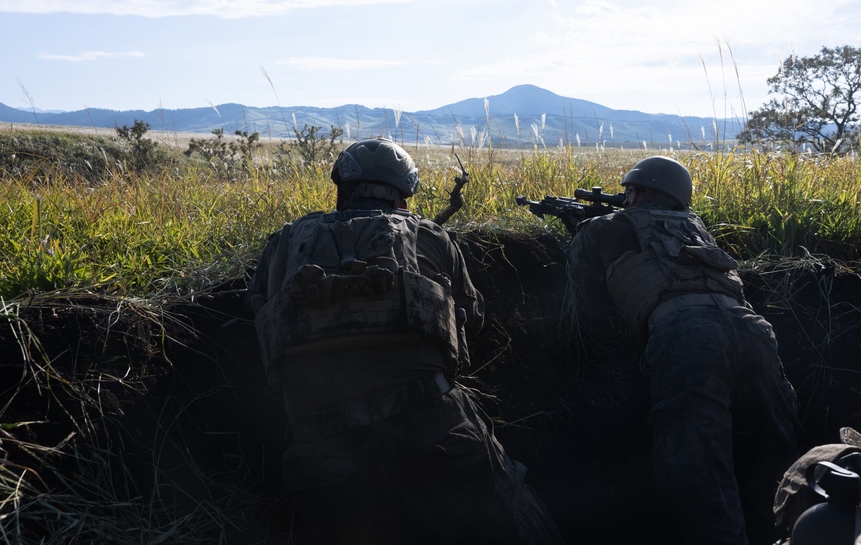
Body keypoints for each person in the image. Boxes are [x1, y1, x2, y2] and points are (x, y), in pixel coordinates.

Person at [248, 138, 561, 545]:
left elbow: (258, 311)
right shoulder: (429, 235)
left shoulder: (284, 242)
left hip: (320, 439)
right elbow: (472, 318)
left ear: (342, 187)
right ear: (404, 196)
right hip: (431, 420)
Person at [564, 155, 799, 545]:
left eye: (633, 191)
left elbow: (582, 292)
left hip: (686, 335)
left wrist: (582, 233)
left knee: (697, 469)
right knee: (774, 451)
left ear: (641, 194)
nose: (629, 199)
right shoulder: (697, 227)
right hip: (754, 331)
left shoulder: (606, 226)